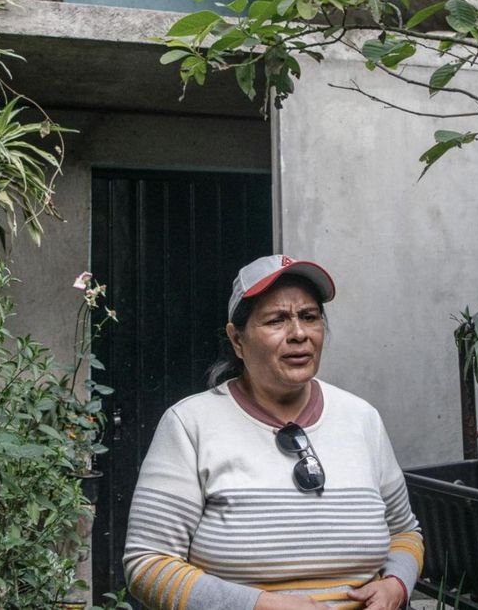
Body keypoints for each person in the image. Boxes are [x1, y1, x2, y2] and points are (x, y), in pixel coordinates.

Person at [122, 255, 423, 610]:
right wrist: (259, 605)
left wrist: (395, 586)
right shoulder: (190, 425)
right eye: (276, 320)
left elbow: (405, 533)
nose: (298, 334)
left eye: (310, 317)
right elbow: (147, 564)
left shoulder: (362, 419)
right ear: (237, 340)